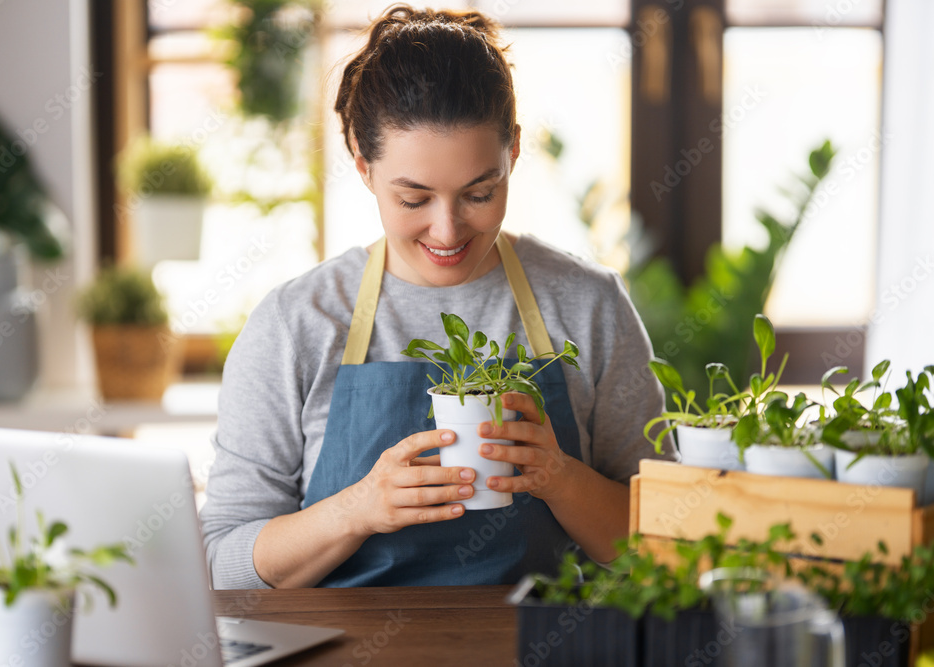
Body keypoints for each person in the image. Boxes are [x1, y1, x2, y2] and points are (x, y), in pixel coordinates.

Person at [199, 4, 674, 590]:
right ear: (363, 163)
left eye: (480, 192)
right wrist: (358, 510)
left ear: (514, 153)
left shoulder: (589, 305)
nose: (448, 232)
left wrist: (560, 478)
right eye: (413, 199)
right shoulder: (296, 323)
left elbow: (666, 545)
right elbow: (222, 565)